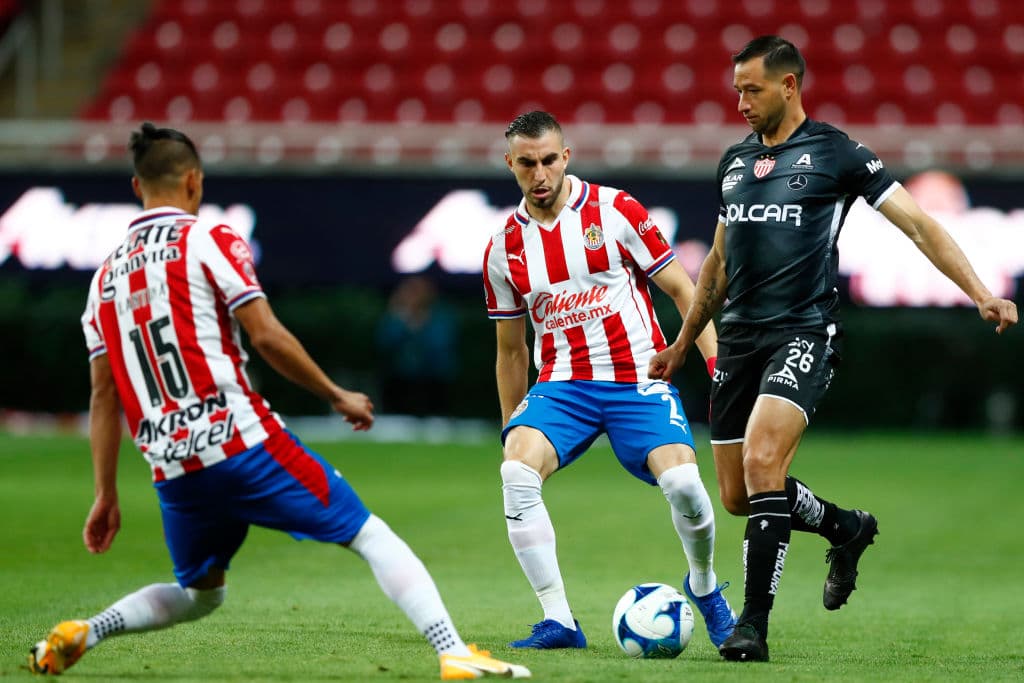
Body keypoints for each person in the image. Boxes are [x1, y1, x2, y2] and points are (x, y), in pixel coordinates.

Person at [28, 123, 529, 681]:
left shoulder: (103, 281)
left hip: (172, 466)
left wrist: (104, 494)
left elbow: (104, 396)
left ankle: (86, 631)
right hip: (239, 442)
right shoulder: (209, 241)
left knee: (200, 594)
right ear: (193, 181)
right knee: (369, 534)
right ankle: (452, 649)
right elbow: (265, 335)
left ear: (135, 186)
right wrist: (336, 393)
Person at [648, 35, 1019, 662]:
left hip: (802, 333)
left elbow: (919, 225)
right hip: (738, 339)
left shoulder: (837, 154)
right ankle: (846, 527)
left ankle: (752, 626)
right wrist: (685, 340)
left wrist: (981, 292)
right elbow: (715, 261)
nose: (740, 101)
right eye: (736, 89)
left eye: (752, 89)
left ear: (789, 85)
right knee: (739, 497)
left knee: (765, 466)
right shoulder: (734, 164)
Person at [484, 110, 736, 651]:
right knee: (516, 475)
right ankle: (559, 620)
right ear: (511, 165)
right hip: (561, 386)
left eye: (549, 159)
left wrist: (718, 369)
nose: (540, 173)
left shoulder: (615, 209)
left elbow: (685, 291)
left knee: (686, 485)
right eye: (527, 163)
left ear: (566, 156)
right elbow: (510, 352)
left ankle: (706, 587)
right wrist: (511, 427)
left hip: (636, 378)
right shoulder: (503, 249)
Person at [376, 274, 458, 415]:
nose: (413, 296)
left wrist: (419, 328)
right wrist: (404, 321)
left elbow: (440, 345)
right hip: (399, 378)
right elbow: (384, 343)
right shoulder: (395, 316)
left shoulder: (441, 316)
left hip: (433, 378)